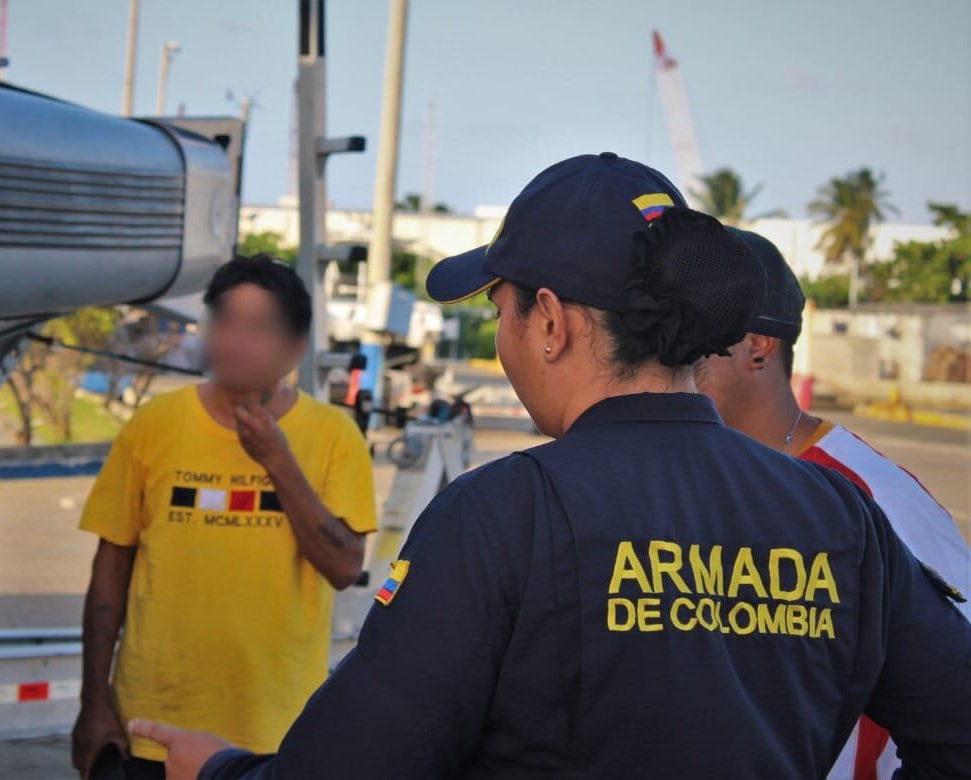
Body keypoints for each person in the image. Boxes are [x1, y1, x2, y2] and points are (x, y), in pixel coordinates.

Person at [128, 153, 971, 779]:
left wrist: (215, 771)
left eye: (500, 308)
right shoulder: (837, 516)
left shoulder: (502, 516)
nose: (501, 336)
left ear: (553, 324)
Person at [71, 257, 377, 779]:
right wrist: (93, 703)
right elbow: (109, 572)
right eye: (225, 321)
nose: (235, 340)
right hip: (151, 726)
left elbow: (345, 567)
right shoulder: (154, 425)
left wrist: (278, 460)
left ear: (296, 347)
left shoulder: (333, 436)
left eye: (259, 327)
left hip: (275, 731)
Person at [695, 228, 971, 780]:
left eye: (689, 335)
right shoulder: (691, 479)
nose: (664, 354)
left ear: (758, 346)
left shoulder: (881, 504)